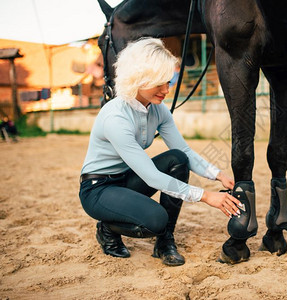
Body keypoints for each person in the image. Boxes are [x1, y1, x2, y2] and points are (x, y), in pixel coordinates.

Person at [79, 38, 241, 266]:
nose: (167, 89)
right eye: (159, 83)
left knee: (178, 159)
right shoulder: (115, 117)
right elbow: (152, 177)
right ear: (138, 78)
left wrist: (218, 175)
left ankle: (165, 242)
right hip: (98, 189)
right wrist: (206, 196)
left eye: (168, 81)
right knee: (155, 220)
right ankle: (107, 226)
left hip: (126, 180)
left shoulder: (158, 110)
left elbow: (182, 149)